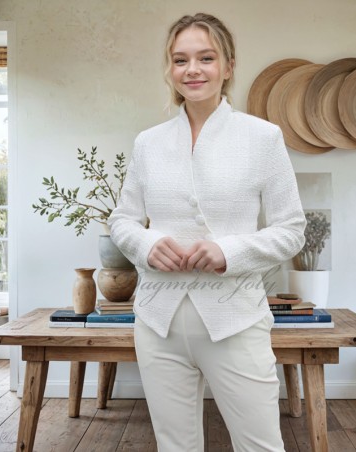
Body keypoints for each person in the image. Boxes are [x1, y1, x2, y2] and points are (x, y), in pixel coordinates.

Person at [108, 12, 306, 452]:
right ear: (169, 69)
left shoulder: (263, 138)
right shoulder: (148, 143)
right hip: (158, 323)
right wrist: (145, 243)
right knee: (175, 445)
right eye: (180, 60)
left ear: (228, 66)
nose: (192, 70)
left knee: (261, 445)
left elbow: (292, 230)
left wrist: (228, 252)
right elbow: (121, 220)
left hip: (234, 320)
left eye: (205, 58)